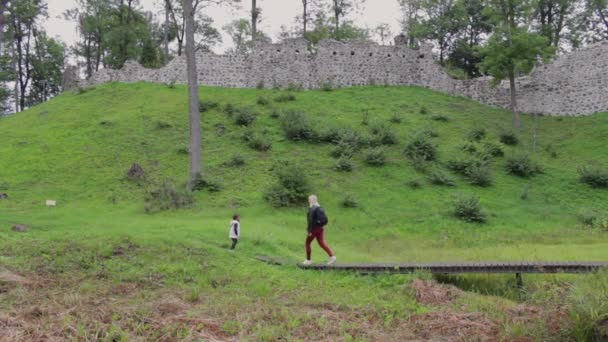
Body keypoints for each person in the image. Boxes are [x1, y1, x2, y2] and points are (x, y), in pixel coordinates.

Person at [303, 195, 336, 265]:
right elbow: (323, 220)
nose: (308, 201)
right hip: (319, 229)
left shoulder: (314, 208)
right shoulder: (318, 208)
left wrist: (310, 231)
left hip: (314, 229)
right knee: (321, 243)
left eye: (309, 199)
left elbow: (313, 220)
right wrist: (319, 224)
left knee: (307, 243)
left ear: (313, 200)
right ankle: (332, 256)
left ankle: (308, 260)